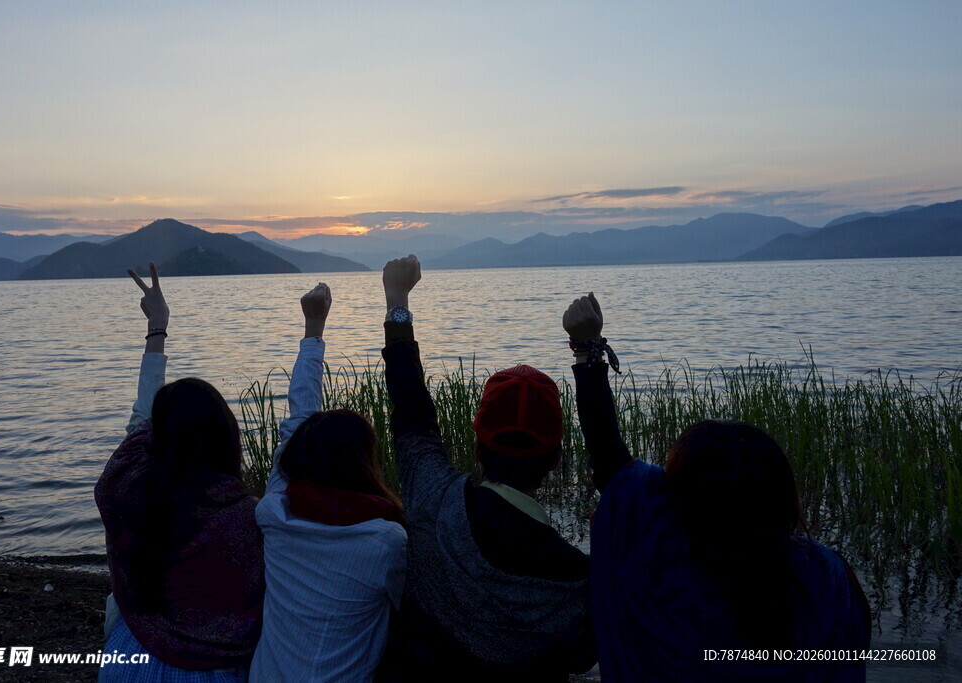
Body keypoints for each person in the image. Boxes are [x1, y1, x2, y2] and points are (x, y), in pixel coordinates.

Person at [562, 292, 872, 681]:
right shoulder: (827, 579)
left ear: (678, 500)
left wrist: (586, 348)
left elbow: (610, 462)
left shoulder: (656, 559)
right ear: (781, 500)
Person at [378, 255, 596, 682]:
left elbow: (411, 410)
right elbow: (581, 656)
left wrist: (397, 299)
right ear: (556, 458)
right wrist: (589, 353)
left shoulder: (433, 494)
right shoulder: (576, 576)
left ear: (478, 446)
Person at [95, 263, 264, 682]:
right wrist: (313, 330)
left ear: (158, 437)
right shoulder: (247, 516)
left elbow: (140, 419)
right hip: (214, 673)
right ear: (227, 436)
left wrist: (158, 327)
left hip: (127, 662)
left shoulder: (124, 485)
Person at [251, 283, 407, 682]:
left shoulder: (275, 510)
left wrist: (314, 326)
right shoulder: (384, 542)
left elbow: (300, 415)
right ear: (364, 464)